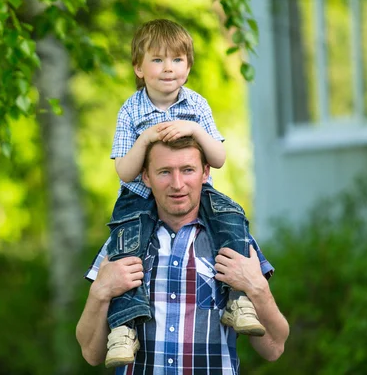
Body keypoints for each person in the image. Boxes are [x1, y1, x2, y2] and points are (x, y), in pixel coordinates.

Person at [104, 18, 263, 368]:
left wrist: (194, 129)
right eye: (157, 60)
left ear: (188, 67)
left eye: (177, 60)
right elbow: (124, 170)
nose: (168, 69)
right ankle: (123, 328)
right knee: (127, 252)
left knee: (231, 218)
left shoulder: (196, 105)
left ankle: (238, 301)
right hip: (139, 196)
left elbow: (218, 158)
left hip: (196, 192)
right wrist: (145, 139)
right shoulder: (131, 109)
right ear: (139, 68)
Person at [77, 137, 290, 374]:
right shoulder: (123, 243)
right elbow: (90, 353)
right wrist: (100, 292)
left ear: (205, 173)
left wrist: (257, 287)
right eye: (165, 172)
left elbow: (273, 348)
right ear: (146, 176)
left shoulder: (233, 240)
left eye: (187, 170)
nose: (177, 184)